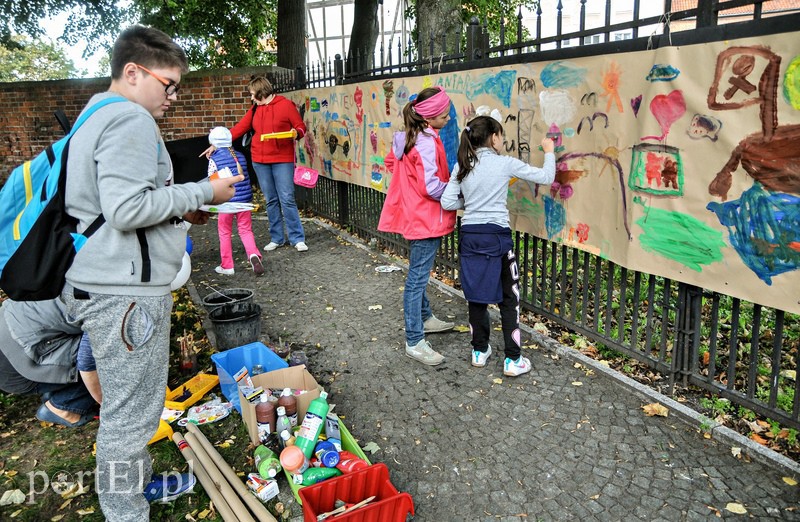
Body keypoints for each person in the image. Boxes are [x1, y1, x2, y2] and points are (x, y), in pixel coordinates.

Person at [60, 25, 242, 518]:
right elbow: (125, 209)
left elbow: (117, 203)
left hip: (108, 282)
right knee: (129, 417)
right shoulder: (129, 119)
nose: (173, 97)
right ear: (133, 71)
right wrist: (205, 191)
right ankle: (126, 512)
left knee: (131, 408)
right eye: (169, 84)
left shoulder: (96, 113)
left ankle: (135, 490)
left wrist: (179, 210)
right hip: (124, 293)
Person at [441, 115, 556, 376]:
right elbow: (546, 176)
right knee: (509, 297)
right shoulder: (504, 163)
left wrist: (472, 203)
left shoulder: (463, 165)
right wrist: (549, 151)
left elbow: (447, 202)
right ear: (494, 138)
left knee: (476, 294)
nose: (502, 141)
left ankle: (479, 351)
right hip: (497, 237)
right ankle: (513, 359)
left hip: (470, 235)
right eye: (501, 136)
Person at [378, 86, 458, 366]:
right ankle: (414, 340)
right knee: (417, 279)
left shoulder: (411, 137)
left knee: (418, 272)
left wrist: (408, 184)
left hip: (416, 214)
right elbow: (431, 187)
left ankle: (425, 318)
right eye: (444, 116)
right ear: (428, 118)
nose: (448, 119)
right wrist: (457, 192)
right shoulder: (425, 142)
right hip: (426, 218)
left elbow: (392, 163)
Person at [204, 76, 309, 252]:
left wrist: (295, 133)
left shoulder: (286, 105)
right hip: (260, 161)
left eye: (253, 94)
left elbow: (301, 127)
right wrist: (217, 143)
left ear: (262, 92)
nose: (252, 98)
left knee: (287, 198)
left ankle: (297, 238)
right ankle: (277, 238)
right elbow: (238, 129)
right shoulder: (255, 109)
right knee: (271, 199)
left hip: (282, 159)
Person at [0, 299, 99, 427]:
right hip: (17, 370)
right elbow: (90, 357)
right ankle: (64, 406)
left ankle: (59, 389)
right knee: (103, 352)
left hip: (13, 330)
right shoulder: (89, 304)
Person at [206, 126, 265, 276]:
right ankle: (253, 255)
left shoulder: (214, 159)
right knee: (245, 230)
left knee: (225, 232)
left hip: (226, 202)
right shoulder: (240, 156)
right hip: (244, 201)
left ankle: (227, 266)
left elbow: (212, 181)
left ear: (212, 142)